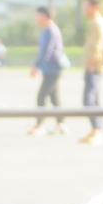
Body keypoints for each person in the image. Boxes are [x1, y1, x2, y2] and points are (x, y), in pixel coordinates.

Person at [28, 7, 65, 135]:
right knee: (54, 97)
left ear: (44, 16)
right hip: (49, 70)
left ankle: (39, 125)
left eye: (38, 15)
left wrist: (36, 66)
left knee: (41, 96)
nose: (36, 18)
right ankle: (60, 124)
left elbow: (46, 51)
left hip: (53, 69)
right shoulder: (46, 30)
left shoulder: (50, 30)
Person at [79, 0, 103, 145]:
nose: (84, 8)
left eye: (87, 6)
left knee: (88, 99)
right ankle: (95, 130)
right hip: (94, 65)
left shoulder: (97, 23)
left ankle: (97, 130)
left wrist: (92, 63)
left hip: (95, 66)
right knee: (93, 99)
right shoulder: (96, 22)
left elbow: (97, 46)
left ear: (95, 7)